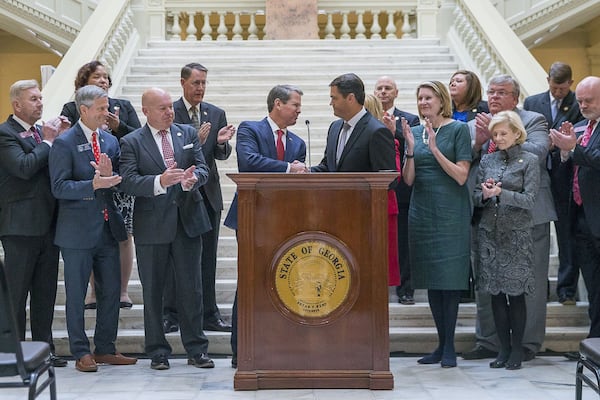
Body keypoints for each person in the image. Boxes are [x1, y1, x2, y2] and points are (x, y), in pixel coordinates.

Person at [119, 87, 213, 371]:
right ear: (146, 111)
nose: (169, 112)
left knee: (192, 289)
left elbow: (203, 168)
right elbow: (128, 180)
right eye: (162, 108)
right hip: (152, 225)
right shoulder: (131, 141)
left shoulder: (186, 133)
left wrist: (192, 179)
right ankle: (158, 350)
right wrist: (159, 181)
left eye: (170, 106)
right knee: (154, 292)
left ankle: (196, 349)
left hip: (188, 222)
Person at [463, 75, 555, 362]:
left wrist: (504, 137)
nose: (494, 97)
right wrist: (478, 144)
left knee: (530, 284)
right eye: (490, 92)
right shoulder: (476, 124)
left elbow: (539, 151)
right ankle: (490, 342)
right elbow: (462, 159)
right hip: (488, 217)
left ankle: (526, 344)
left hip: (528, 216)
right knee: (488, 282)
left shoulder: (534, 119)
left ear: (515, 98)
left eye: (501, 92)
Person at [49, 84, 137, 372]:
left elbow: (120, 178)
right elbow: (59, 187)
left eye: (107, 107)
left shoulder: (110, 141)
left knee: (111, 291)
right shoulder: (64, 143)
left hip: (107, 228)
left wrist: (113, 178)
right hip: (76, 232)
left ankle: (105, 348)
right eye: (101, 108)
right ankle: (80, 351)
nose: (107, 113)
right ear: (83, 110)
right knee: (75, 294)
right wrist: (93, 184)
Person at [223, 84, 308, 368]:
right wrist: (288, 169)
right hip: (251, 217)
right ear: (277, 104)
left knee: (283, 281)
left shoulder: (298, 143)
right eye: (295, 105)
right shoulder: (251, 129)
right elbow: (249, 162)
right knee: (249, 281)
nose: (298, 110)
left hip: (285, 221)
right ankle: (241, 349)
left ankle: (279, 344)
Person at [400, 80, 472, 368]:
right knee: (431, 279)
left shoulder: (458, 130)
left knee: (450, 280)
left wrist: (434, 148)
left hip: (450, 212)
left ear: (442, 100)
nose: (423, 103)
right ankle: (440, 344)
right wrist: (409, 148)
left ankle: (451, 347)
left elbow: (461, 176)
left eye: (428, 98)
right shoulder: (415, 131)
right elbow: (408, 179)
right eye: (419, 98)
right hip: (422, 211)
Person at [0, 79, 71, 368]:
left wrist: (62, 139)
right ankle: (13, 353)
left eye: (41, 98)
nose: (40, 103)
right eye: (33, 99)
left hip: (49, 225)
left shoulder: (44, 133)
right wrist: (50, 142)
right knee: (16, 295)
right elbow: (24, 167)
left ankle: (45, 350)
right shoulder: (5, 134)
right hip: (19, 227)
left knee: (45, 294)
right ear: (17, 104)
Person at [61, 60, 141, 310]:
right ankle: (95, 292)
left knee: (123, 234)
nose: (103, 81)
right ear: (84, 81)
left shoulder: (122, 107)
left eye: (106, 77)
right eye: (97, 76)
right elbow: (68, 138)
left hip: (119, 181)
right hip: (88, 181)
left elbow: (139, 139)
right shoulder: (72, 107)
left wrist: (118, 126)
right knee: (94, 235)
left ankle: (122, 290)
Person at [163, 62, 236, 334]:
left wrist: (218, 143)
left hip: (207, 195)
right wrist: (198, 140)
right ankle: (171, 313)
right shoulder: (169, 111)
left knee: (208, 257)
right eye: (196, 83)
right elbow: (172, 151)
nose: (201, 88)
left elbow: (220, 155)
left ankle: (209, 313)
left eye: (204, 82)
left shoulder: (214, 112)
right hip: (178, 194)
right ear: (183, 82)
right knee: (174, 258)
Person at [473, 110, 540, 370]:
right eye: (495, 134)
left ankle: (516, 350)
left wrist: (503, 193)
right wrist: (487, 194)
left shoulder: (529, 160)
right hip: (489, 235)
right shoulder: (487, 160)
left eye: (503, 133)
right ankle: (502, 348)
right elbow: (477, 197)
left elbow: (530, 200)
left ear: (516, 133)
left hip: (517, 236)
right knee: (496, 295)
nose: (499, 138)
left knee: (516, 295)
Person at [524, 62, 584, 305]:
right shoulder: (532, 102)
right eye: (554, 87)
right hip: (536, 175)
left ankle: (566, 290)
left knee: (567, 235)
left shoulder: (578, 104)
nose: (558, 92)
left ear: (570, 83)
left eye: (562, 88)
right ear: (547, 80)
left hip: (565, 176)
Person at [549, 76, 600, 345]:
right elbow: (570, 169)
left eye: (588, 101)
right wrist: (565, 152)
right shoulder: (581, 128)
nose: (582, 105)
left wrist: (574, 148)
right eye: (579, 100)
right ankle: (595, 343)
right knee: (593, 287)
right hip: (580, 219)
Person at [374, 76, 420, 305]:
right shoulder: (369, 118)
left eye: (388, 88)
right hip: (373, 192)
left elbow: (416, 147)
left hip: (402, 190)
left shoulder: (409, 119)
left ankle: (405, 290)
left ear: (396, 92)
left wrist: (396, 133)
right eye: (380, 88)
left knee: (403, 242)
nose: (383, 92)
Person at [312, 73, 396, 173]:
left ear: (350, 98)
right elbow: (327, 167)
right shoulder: (334, 128)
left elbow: (387, 178)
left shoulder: (377, 131)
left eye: (334, 98)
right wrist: (305, 171)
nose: (331, 103)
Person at [364, 93, 401, 287]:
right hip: (359, 207)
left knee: (380, 268)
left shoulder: (384, 137)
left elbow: (394, 176)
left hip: (383, 207)